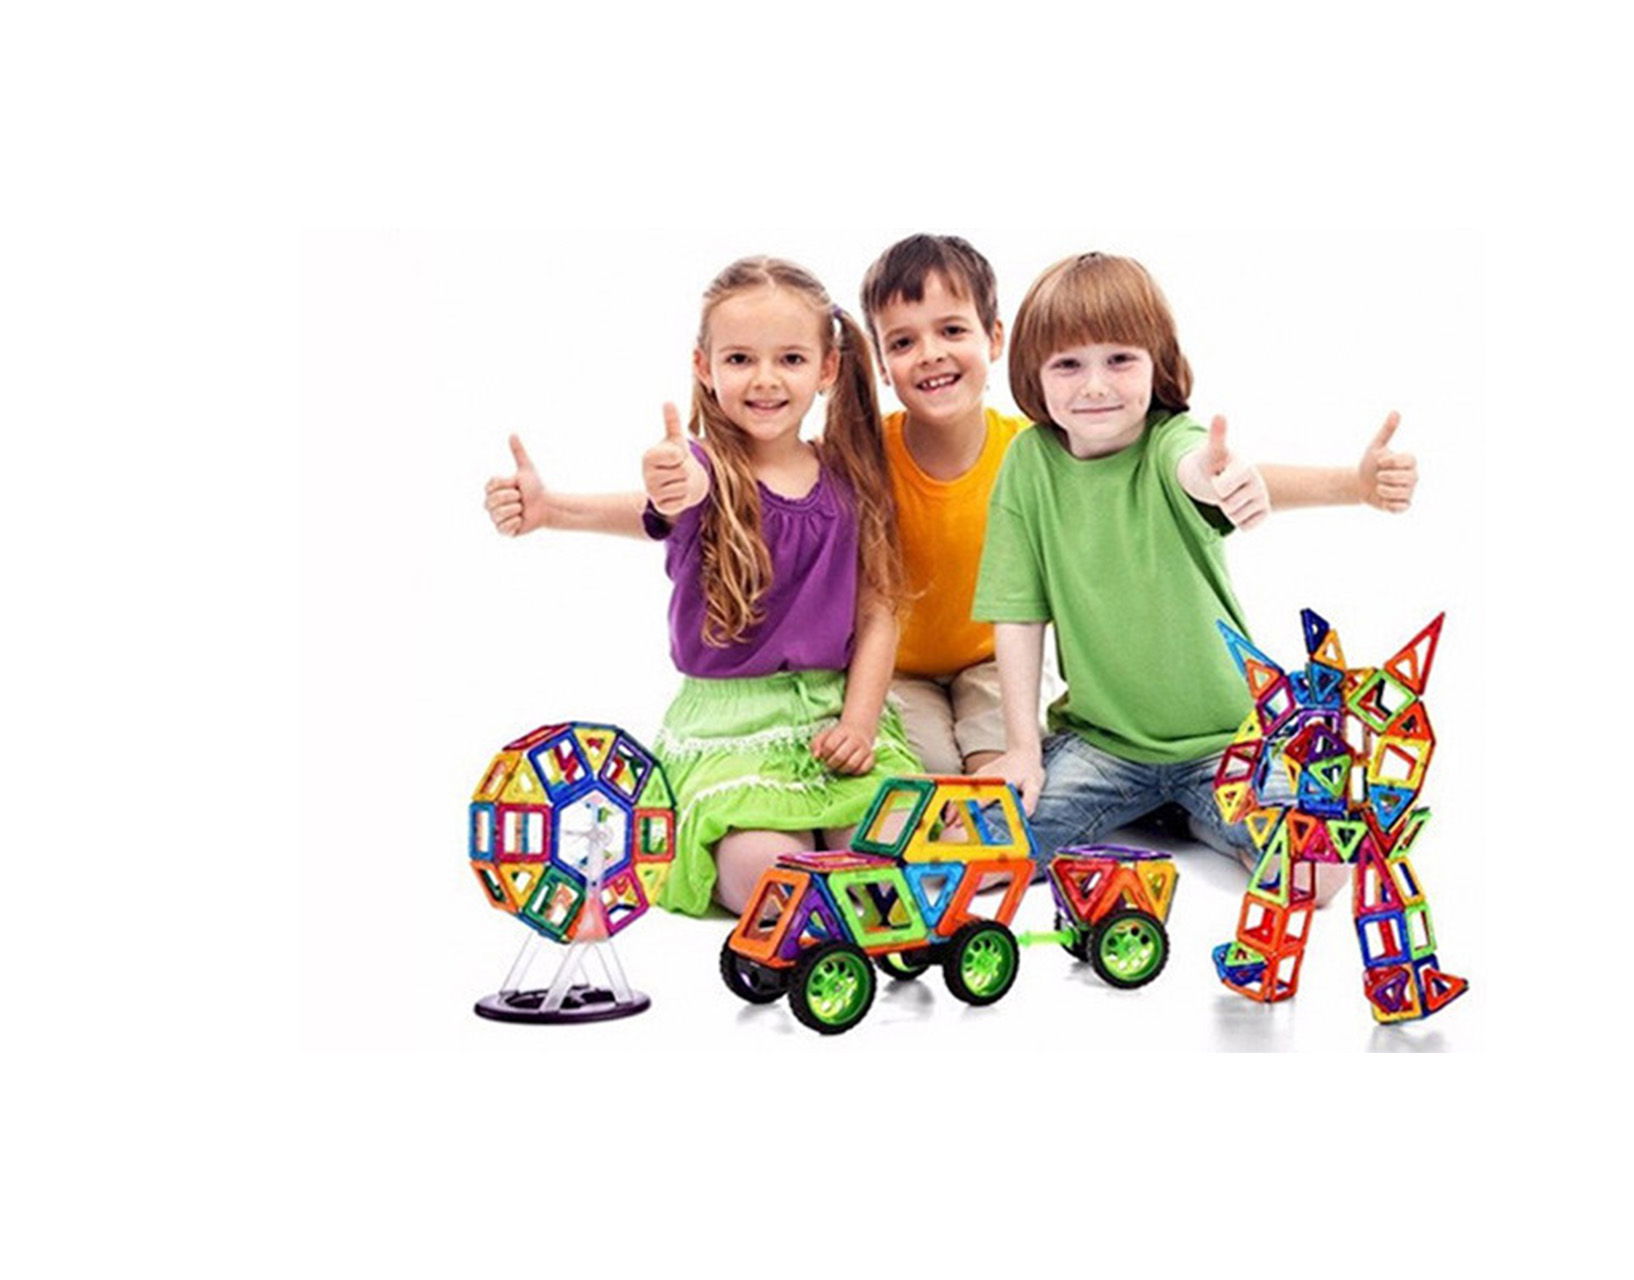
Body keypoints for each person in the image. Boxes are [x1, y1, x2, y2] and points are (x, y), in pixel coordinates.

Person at [973, 252, 1417, 899]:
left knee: (1318, 877)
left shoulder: (1171, 440)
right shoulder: (1028, 464)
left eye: (1119, 359)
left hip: (1227, 744)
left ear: (1158, 365)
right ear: (1033, 375)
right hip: (1103, 746)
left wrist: (1254, 481)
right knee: (978, 856)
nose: (1094, 385)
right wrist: (1021, 748)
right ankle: (1165, 807)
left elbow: (1198, 470)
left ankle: (1192, 812)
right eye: (1068, 364)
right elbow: (1017, 613)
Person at [483, 257, 920, 914]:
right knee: (766, 873)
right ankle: (796, 897)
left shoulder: (849, 475)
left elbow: (880, 610)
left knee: (900, 845)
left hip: (833, 714)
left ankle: (850, 895)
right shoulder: (702, 469)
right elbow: (670, 500)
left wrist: (859, 723)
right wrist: (563, 508)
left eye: (791, 359)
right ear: (704, 368)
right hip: (731, 731)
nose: (765, 379)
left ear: (828, 368)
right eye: (740, 359)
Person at [858, 234, 1026, 777]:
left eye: (952, 330)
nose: (930, 353)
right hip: (898, 670)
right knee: (931, 775)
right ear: (882, 365)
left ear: (993, 337)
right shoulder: (864, 455)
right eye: (903, 342)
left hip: (996, 659)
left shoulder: (1028, 452)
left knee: (997, 776)